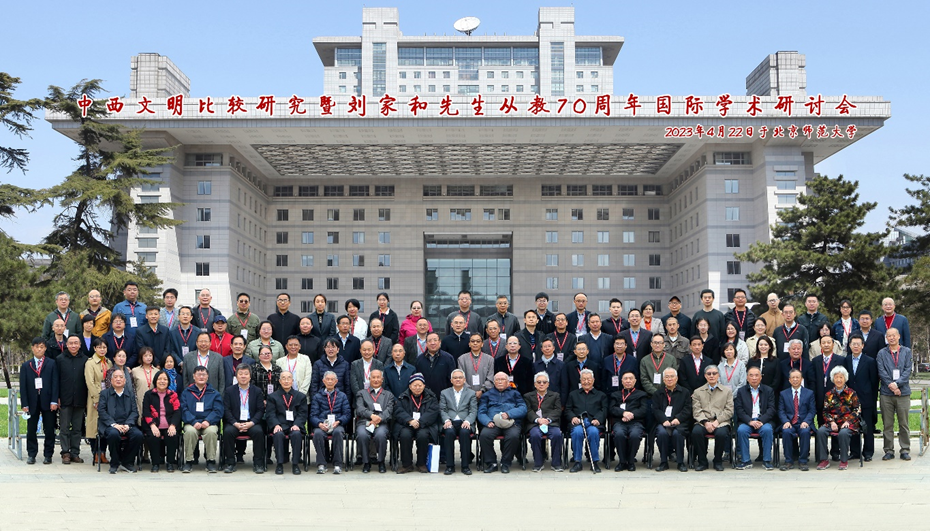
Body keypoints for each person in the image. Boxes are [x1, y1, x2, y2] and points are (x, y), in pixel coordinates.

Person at [477, 372, 528, 474]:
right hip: (493, 423)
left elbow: (523, 408)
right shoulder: (487, 395)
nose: (500, 382)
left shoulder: (515, 394)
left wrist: (509, 414)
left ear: (508, 382)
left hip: (511, 422)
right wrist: (487, 421)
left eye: (502, 379)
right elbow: (481, 412)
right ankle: (492, 463)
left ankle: (506, 463)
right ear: (494, 382)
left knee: (513, 436)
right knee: (484, 435)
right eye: (497, 380)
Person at [20, 338, 59, 465]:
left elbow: (55, 383)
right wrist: (24, 404)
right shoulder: (26, 365)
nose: (39, 349)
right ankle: (31, 454)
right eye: (37, 347)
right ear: (32, 348)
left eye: (42, 347)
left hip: (48, 401)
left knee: (49, 429)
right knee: (31, 429)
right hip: (32, 402)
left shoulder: (51, 363)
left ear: (45, 348)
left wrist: (54, 401)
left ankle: (48, 454)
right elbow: (23, 386)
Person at [97, 369, 144, 473]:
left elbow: (134, 412)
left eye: (121, 377)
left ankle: (127, 461)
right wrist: (114, 424)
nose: (118, 379)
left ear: (125, 380)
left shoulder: (130, 394)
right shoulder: (105, 393)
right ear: (111, 380)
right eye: (115, 377)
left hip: (127, 424)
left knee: (138, 435)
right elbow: (102, 412)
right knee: (113, 434)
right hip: (111, 425)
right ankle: (115, 462)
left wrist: (128, 424)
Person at [221, 364, 265, 474]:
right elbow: (226, 410)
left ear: (250, 376)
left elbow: (260, 410)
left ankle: (258, 463)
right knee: (228, 432)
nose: (243, 376)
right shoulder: (229, 391)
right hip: (235, 422)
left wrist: (252, 423)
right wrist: (235, 423)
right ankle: (230, 463)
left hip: (251, 422)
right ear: (236, 376)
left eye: (246, 374)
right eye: (240, 374)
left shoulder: (257, 391)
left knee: (259, 432)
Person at [815, 367, 861, 471]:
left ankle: (844, 460)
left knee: (843, 433)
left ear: (845, 379)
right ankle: (823, 460)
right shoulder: (829, 394)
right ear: (833, 379)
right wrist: (831, 422)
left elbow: (857, 410)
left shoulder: (851, 393)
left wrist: (848, 421)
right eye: (836, 377)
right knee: (821, 431)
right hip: (833, 422)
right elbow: (825, 411)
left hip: (848, 423)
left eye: (841, 377)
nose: (839, 380)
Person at [877, 327, 912, 461]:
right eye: (889, 336)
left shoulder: (906, 351)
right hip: (886, 393)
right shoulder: (882, 353)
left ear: (898, 336)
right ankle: (889, 450)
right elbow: (881, 371)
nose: (891, 338)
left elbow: (907, 370)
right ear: (886, 338)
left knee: (904, 423)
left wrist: (897, 385)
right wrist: (892, 386)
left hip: (903, 393)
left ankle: (905, 449)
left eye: (893, 335)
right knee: (887, 424)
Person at [394, 373, 440, 474]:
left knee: (423, 435)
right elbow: (398, 411)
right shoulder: (403, 396)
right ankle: (406, 464)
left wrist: (420, 422)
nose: (417, 388)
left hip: (424, 424)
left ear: (424, 386)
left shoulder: (431, 397)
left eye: (420, 385)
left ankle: (421, 463)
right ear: (410, 386)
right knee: (405, 435)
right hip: (407, 424)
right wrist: (409, 420)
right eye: (415, 385)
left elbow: (433, 411)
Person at [180, 366, 223, 473]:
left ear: (207, 376)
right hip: (191, 423)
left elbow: (218, 410)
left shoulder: (214, 393)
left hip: (209, 423)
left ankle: (210, 461)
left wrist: (208, 421)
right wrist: (193, 421)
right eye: (198, 374)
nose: (201, 377)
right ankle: (189, 460)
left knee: (211, 432)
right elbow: (183, 409)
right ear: (194, 376)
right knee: (190, 432)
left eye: (204, 374)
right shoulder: (186, 392)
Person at [690, 365, 735, 471]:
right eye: (709, 374)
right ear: (705, 376)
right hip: (703, 421)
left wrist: (717, 422)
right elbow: (696, 410)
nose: (711, 376)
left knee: (721, 434)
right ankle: (702, 461)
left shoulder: (727, 391)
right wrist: (706, 422)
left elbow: (729, 410)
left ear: (718, 375)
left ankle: (718, 461)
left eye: (714, 373)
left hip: (721, 421)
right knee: (696, 432)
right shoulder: (698, 392)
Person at [843, 334, 879, 461]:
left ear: (863, 346)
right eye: (853, 344)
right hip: (850, 400)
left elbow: (874, 382)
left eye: (858, 344)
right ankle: (855, 451)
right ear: (850, 346)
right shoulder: (846, 360)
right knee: (853, 425)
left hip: (866, 399)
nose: (856, 346)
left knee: (867, 427)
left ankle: (868, 452)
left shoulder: (870, 361)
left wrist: (872, 399)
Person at [267, 371, 309, 475]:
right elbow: (270, 413)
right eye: (284, 378)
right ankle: (279, 464)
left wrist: (297, 424)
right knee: (278, 435)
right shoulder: (273, 396)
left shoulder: (300, 396)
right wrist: (276, 425)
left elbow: (302, 413)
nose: (286, 381)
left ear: (292, 381)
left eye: (289, 378)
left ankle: (295, 464)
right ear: (279, 381)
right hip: (280, 424)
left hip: (294, 424)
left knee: (296, 434)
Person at [734, 367, 776, 470]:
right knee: (741, 430)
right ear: (747, 378)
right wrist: (750, 421)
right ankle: (745, 460)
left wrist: (761, 421)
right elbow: (739, 410)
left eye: (757, 375)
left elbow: (771, 409)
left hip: (763, 421)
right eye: (751, 375)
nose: (754, 378)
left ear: (761, 377)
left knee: (767, 430)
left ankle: (766, 460)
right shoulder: (741, 391)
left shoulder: (768, 390)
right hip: (748, 421)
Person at [565, 369, 607, 473]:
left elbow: (604, 409)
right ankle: (577, 462)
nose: (586, 382)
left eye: (589, 379)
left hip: (593, 423)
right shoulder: (573, 394)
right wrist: (572, 417)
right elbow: (568, 409)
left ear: (593, 380)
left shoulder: (601, 395)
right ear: (580, 381)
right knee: (577, 432)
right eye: (584, 379)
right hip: (578, 422)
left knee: (593, 432)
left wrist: (598, 419)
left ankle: (594, 462)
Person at [309, 371, 351, 474]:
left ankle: (337, 464)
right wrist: (319, 424)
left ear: (336, 381)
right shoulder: (317, 396)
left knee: (338, 433)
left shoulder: (342, 396)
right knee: (317, 433)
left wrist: (339, 421)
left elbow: (347, 414)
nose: (330, 381)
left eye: (332, 379)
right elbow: (313, 415)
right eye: (327, 379)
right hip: (322, 424)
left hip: (337, 424)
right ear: (323, 381)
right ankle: (321, 464)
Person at [812, 335, 846, 460]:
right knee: (822, 424)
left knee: (836, 423)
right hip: (820, 397)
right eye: (823, 343)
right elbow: (813, 380)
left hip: (836, 398)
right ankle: (822, 452)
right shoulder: (815, 361)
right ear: (820, 345)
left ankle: (835, 451)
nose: (826, 345)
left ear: (833, 345)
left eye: (828, 342)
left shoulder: (840, 360)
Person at [355, 369, 394, 474]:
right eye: (373, 377)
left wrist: (378, 419)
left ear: (382, 379)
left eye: (378, 377)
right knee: (362, 435)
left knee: (380, 435)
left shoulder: (388, 395)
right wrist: (371, 416)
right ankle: (366, 462)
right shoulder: (361, 393)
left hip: (381, 423)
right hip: (365, 422)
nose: (376, 380)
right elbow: (360, 409)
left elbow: (389, 410)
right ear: (369, 379)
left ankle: (381, 461)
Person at [609, 371, 649, 473]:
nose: (628, 381)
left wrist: (631, 415)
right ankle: (622, 461)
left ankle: (631, 461)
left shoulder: (641, 394)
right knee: (619, 434)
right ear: (621, 381)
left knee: (635, 435)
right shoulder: (615, 395)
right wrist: (623, 413)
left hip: (636, 422)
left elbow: (643, 410)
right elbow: (612, 408)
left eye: (630, 379)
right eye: (625, 379)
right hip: (620, 422)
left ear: (635, 381)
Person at [653, 368, 692, 472]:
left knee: (677, 434)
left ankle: (680, 462)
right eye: (667, 377)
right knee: (662, 433)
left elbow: (688, 409)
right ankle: (663, 462)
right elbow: (655, 409)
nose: (669, 379)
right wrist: (663, 420)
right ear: (663, 379)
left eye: (672, 376)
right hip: (663, 422)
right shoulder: (658, 393)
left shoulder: (684, 392)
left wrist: (678, 419)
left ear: (677, 378)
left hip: (679, 422)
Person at [439, 369, 478, 475]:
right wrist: (446, 420)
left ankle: (465, 466)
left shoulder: (471, 393)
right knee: (449, 432)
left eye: (460, 378)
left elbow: (473, 410)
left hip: (465, 422)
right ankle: (450, 466)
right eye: (455, 378)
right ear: (451, 380)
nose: (458, 380)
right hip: (450, 421)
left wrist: (468, 421)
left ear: (464, 380)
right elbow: (442, 409)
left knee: (465, 433)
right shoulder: (444, 393)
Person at [142, 370, 181, 472]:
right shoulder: (149, 394)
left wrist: (173, 425)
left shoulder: (173, 395)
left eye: (165, 379)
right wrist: (152, 425)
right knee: (153, 436)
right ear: (155, 381)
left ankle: (170, 462)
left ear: (168, 382)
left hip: (169, 424)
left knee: (172, 435)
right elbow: (146, 411)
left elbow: (177, 412)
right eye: (160, 379)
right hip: (153, 424)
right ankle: (155, 463)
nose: (162, 381)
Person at [524, 371, 563, 472]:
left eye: (544, 382)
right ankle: (538, 463)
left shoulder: (555, 395)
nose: (541, 384)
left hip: (550, 423)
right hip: (535, 423)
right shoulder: (528, 396)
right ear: (535, 384)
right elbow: (528, 410)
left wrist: (548, 419)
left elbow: (558, 410)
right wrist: (538, 419)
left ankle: (556, 463)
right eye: (539, 382)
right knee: (535, 435)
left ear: (548, 384)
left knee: (557, 435)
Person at [778, 369, 817, 471]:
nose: (795, 379)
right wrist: (786, 421)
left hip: (803, 422)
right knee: (786, 431)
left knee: (805, 432)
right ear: (789, 380)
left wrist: (806, 421)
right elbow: (781, 410)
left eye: (797, 377)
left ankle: (803, 461)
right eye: (793, 378)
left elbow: (812, 410)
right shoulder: (783, 394)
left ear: (801, 379)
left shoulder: (809, 393)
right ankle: (788, 461)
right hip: (790, 422)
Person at [57, 335, 87, 464]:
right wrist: (57, 397)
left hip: (80, 398)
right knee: (64, 428)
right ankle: (65, 453)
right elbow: (56, 380)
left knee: (77, 429)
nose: (73, 345)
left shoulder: (85, 360)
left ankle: (75, 453)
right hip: (65, 398)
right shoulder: (60, 359)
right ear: (67, 345)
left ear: (80, 345)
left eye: (76, 343)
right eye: (71, 343)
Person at [85, 337, 110, 464]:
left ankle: (103, 453)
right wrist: (96, 399)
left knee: (105, 425)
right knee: (94, 426)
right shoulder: (90, 363)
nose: (102, 350)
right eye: (99, 347)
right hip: (95, 398)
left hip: (108, 398)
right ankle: (95, 453)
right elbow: (90, 382)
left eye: (104, 347)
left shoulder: (109, 362)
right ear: (94, 348)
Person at [414, 332, 456, 398]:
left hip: (443, 397)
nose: (432, 343)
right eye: (429, 341)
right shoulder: (420, 359)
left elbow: (452, 379)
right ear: (426, 343)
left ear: (440, 342)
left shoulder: (448, 358)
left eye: (435, 340)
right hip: (425, 397)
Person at [457, 333, 494, 400]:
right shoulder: (462, 359)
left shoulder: (489, 359)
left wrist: (482, 390)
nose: (475, 343)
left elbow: (490, 378)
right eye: (472, 341)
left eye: (478, 341)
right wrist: (471, 392)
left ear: (482, 344)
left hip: (485, 395)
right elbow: (461, 378)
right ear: (469, 344)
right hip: (466, 395)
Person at [131, 348, 159, 426]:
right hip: (140, 400)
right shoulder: (135, 371)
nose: (148, 358)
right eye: (146, 355)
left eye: (150, 355)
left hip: (153, 400)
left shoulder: (157, 371)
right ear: (141, 357)